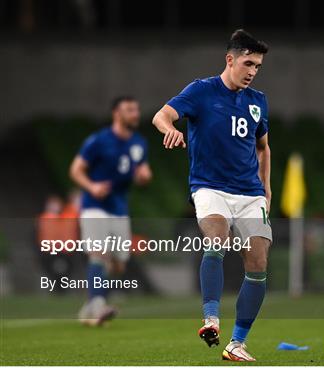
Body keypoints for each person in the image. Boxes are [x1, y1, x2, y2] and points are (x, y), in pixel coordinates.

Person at [152, 29, 272, 361]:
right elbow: (161, 116)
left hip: (250, 193)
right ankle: (211, 319)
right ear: (229, 59)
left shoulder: (258, 102)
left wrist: (267, 190)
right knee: (216, 239)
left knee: (259, 262)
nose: (252, 72)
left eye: (258, 66)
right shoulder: (201, 91)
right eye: (248, 63)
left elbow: (263, 149)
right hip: (209, 187)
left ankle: (237, 343)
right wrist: (171, 129)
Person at [69, 96, 152, 326]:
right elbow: (76, 170)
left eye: (136, 109)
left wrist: (144, 177)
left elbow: (144, 171)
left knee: (117, 265)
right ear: (116, 113)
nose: (135, 114)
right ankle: (97, 306)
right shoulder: (98, 141)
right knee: (98, 254)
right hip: (94, 207)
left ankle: (90, 308)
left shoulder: (139, 143)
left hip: (119, 209)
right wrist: (92, 186)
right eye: (129, 110)